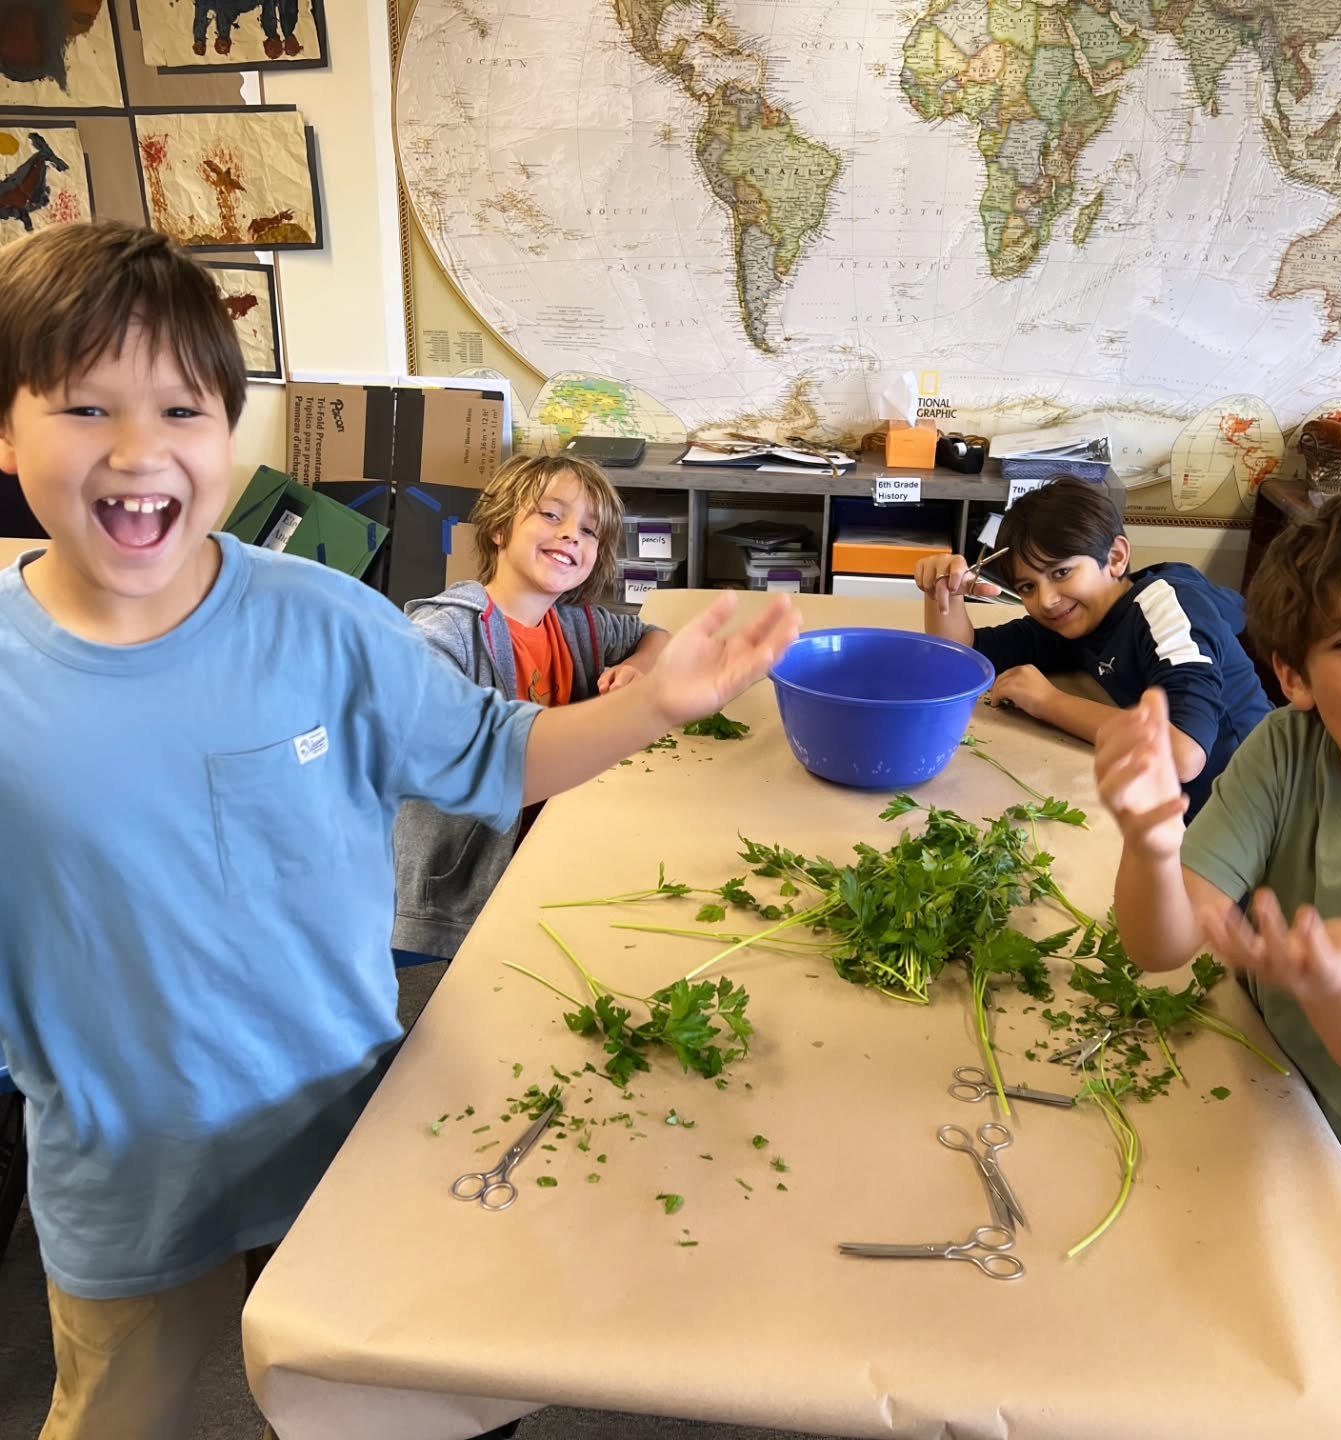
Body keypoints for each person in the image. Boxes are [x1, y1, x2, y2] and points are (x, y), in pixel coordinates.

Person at [0, 220, 798, 1438]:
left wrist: (660, 702)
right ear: (6, 432)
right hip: (122, 1178)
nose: (136, 452)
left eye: (180, 412)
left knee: (388, 1411)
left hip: (337, 1129)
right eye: (84, 410)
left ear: (229, 433)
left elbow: (498, 752)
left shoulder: (327, 622)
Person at [1094, 479, 1341, 1312]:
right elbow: (1161, 943)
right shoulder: (1290, 749)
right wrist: (1150, 844)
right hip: (1269, 1114)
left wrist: (1333, 988)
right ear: (1295, 677)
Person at [392, 453, 669, 961]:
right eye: (551, 514)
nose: (571, 535)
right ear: (499, 527)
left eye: (589, 531)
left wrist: (642, 668)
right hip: (457, 900)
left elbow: (655, 636)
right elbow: (417, 719)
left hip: (549, 856)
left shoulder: (576, 626)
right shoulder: (451, 631)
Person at [914, 475, 1270, 816]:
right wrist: (942, 591)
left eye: (1061, 573)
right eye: (1027, 587)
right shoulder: (1074, 620)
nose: (1047, 600)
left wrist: (1049, 703)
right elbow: (960, 661)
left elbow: (1181, 754)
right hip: (1179, 809)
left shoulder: (1165, 607)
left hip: (1256, 813)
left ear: (1115, 557)